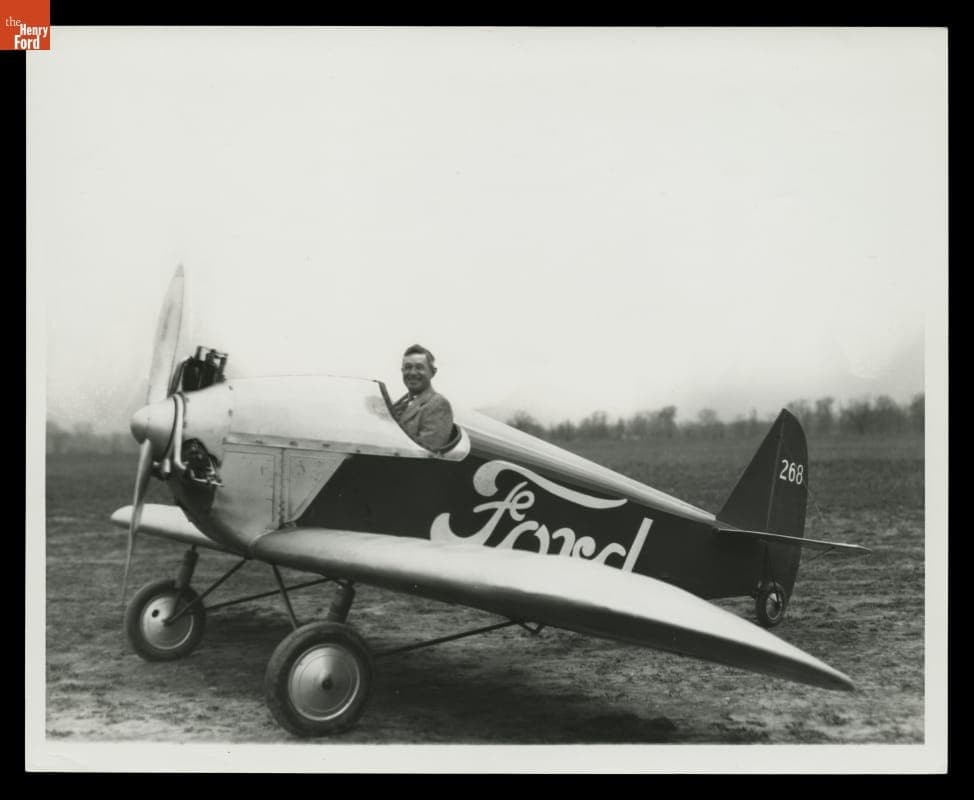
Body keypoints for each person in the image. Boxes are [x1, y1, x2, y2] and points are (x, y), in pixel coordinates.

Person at [391, 344, 455, 450]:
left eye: (419, 367)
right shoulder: (400, 403)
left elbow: (427, 453)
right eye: (407, 367)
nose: (412, 372)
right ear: (402, 371)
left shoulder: (438, 404)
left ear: (432, 372)